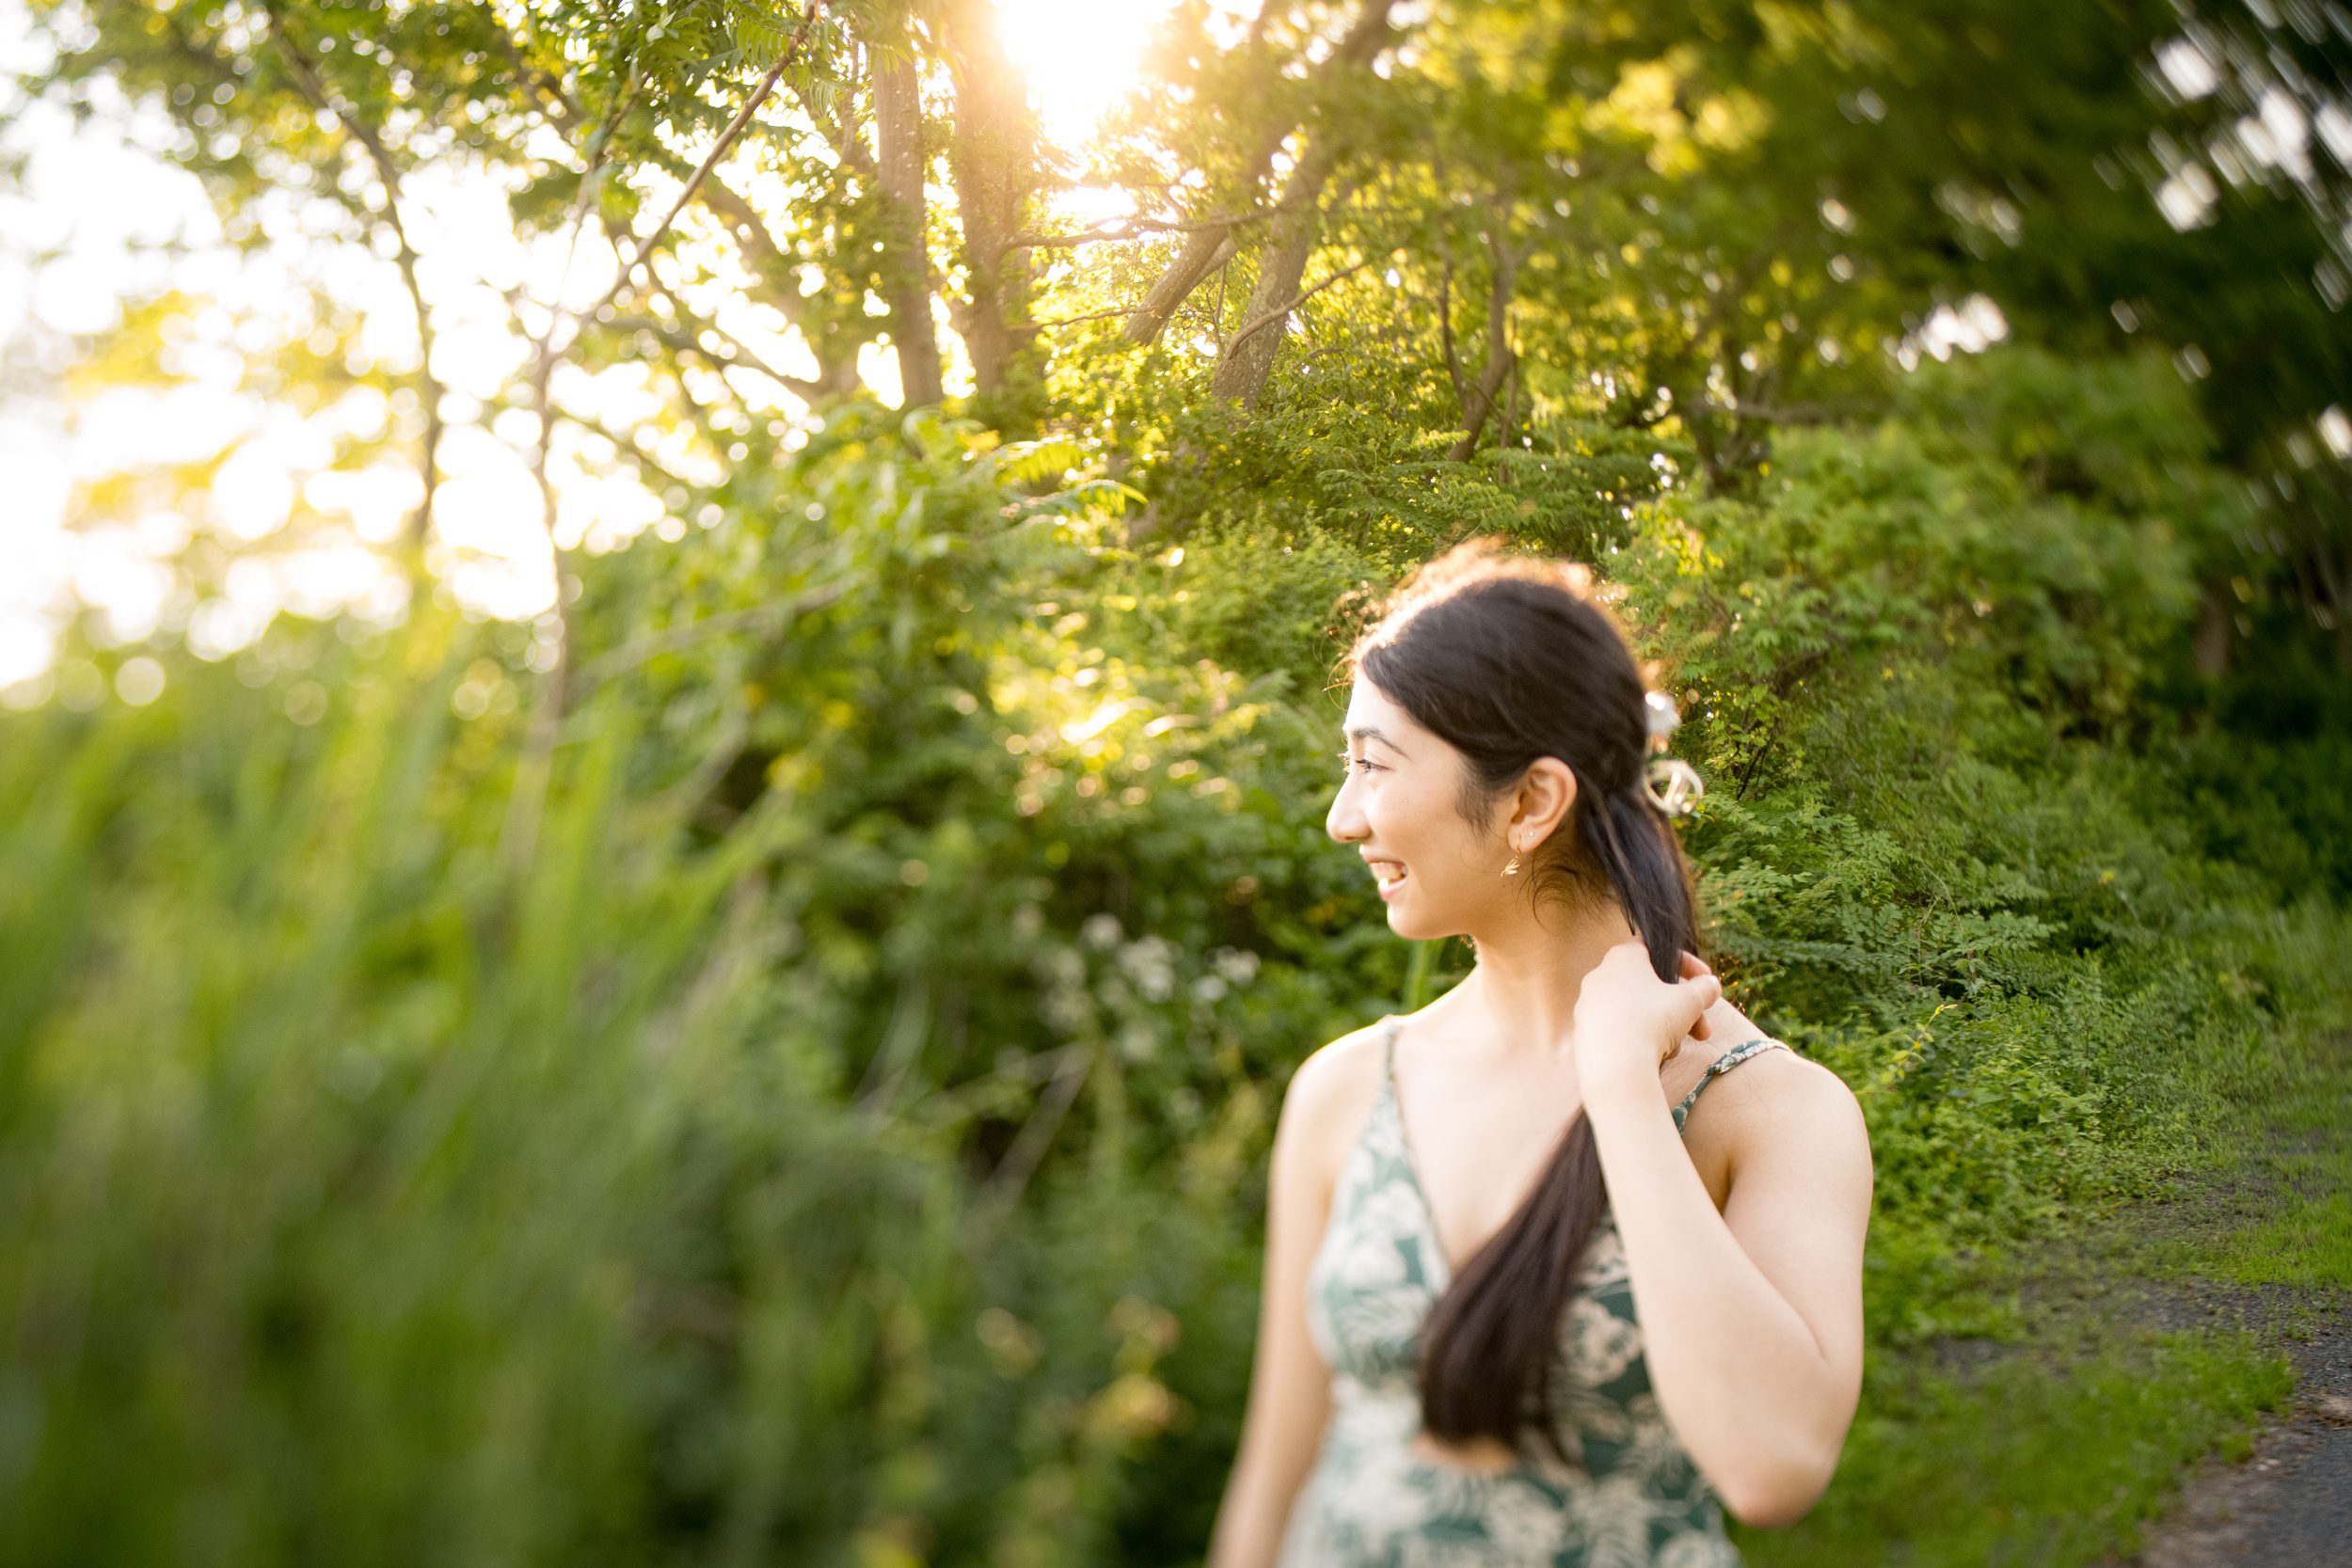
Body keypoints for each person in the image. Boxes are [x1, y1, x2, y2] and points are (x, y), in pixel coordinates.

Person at [1206, 539, 1874, 1567]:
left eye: (1372, 765)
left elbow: (1772, 1463)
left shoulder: (1771, 1110)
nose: (1341, 818)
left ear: (1529, 801)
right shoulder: (1345, 1088)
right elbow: (1277, 1465)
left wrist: (1618, 1090)